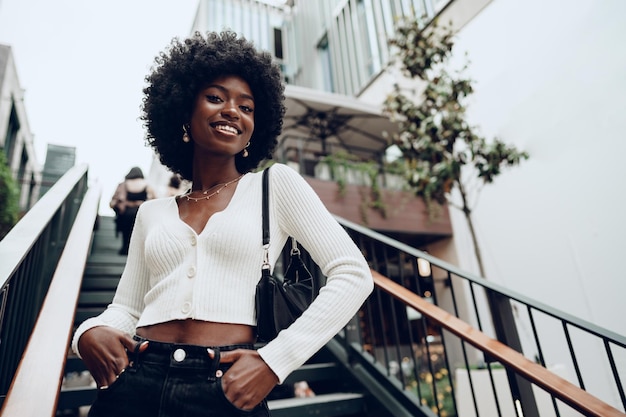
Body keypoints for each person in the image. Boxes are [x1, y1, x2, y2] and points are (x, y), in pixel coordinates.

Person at [72, 31, 373, 417]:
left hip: (227, 387)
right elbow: (127, 309)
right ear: (183, 111)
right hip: (136, 381)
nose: (232, 111)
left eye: (246, 107)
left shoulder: (274, 184)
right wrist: (88, 333)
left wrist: (274, 361)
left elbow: (353, 274)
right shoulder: (152, 213)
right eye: (216, 98)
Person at [109, 167, 156, 255]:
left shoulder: (124, 184)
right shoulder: (146, 184)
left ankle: (124, 249)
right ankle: (136, 252)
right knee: (138, 233)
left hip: (126, 212)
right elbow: (154, 199)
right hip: (141, 212)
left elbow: (114, 200)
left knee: (126, 232)